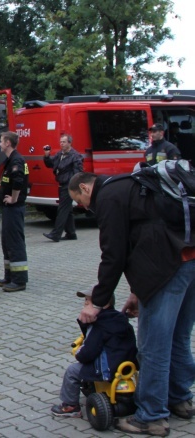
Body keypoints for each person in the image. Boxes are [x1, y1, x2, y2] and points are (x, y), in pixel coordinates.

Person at [68, 171, 195, 436]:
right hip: (188, 258)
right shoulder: (129, 185)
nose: (83, 207)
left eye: (79, 200)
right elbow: (142, 233)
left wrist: (97, 303)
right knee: (179, 337)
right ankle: (180, 399)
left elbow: (114, 254)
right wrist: (136, 292)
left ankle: (152, 417)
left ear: (85, 187)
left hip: (167, 268)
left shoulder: (109, 198)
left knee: (153, 346)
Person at [51, 286, 137, 418]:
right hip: (125, 365)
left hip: (107, 368)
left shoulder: (100, 325)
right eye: (85, 300)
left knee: (72, 371)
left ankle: (70, 406)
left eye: (89, 301)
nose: (85, 303)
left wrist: (80, 354)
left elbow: (89, 352)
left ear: (104, 304)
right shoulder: (120, 320)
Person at [0, 131, 29, 292]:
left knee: (15, 243)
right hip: (8, 209)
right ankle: (9, 276)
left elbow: (18, 181)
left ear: (8, 142)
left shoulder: (17, 160)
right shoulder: (10, 160)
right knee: (7, 242)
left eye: (1, 141)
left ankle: (19, 280)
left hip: (14, 208)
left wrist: (14, 198)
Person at [42, 134, 84, 242]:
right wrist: (47, 156)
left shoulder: (75, 156)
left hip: (68, 185)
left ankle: (56, 234)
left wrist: (74, 185)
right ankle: (71, 233)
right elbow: (50, 164)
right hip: (61, 184)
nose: (61, 144)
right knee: (67, 210)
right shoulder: (59, 154)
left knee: (62, 209)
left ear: (70, 143)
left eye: (64, 142)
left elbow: (78, 172)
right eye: (60, 142)